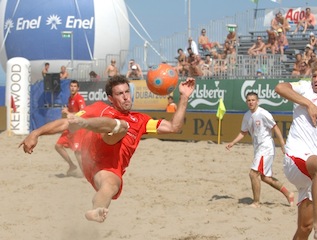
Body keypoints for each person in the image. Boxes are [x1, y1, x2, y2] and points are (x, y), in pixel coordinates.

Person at [20, 75, 196, 223]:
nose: (126, 97)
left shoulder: (141, 120)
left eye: (127, 92)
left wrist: (184, 96)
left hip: (107, 168)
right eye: (120, 94)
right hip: (90, 156)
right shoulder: (99, 107)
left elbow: (174, 127)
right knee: (120, 126)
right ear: (111, 99)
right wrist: (36, 133)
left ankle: (96, 210)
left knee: (111, 186)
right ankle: (85, 123)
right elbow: (66, 123)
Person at [275, 62, 317, 239]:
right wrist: (308, 104)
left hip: (313, 178)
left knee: (304, 227)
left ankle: (313, 225)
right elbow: (280, 88)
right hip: (296, 158)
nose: (316, 80)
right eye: (314, 76)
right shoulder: (304, 88)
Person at [226, 92, 294, 208]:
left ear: (257, 101)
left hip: (266, 147)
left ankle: (256, 202)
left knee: (253, 174)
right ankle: (289, 194)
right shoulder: (247, 115)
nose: (251, 102)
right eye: (249, 100)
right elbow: (243, 132)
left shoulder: (263, 113)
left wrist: (282, 144)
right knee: (265, 177)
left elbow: (275, 127)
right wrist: (233, 142)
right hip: (258, 149)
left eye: (253, 100)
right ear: (246, 102)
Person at [55, 80, 86, 176]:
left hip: (77, 129)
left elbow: (83, 112)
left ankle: (85, 173)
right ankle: (72, 165)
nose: (73, 88)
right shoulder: (70, 98)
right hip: (70, 128)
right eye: (71, 86)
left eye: (75, 86)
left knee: (77, 152)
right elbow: (71, 113)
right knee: (58, 146)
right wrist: (65, 113)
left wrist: (68, 113)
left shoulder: (79, 99)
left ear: (78, 88)